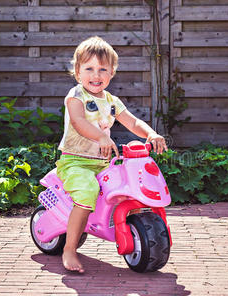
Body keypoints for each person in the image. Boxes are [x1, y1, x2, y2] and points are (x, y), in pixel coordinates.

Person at [56, 36, 167, 273]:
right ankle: (69, 249)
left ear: (112, 73)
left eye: (102, 69)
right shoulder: (76, 96)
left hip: (103, 162)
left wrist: (151, 134)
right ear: (78, 72)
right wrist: (101, 136)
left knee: (127, 186)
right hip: (75, 161)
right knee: (87, 190)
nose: (96, 75)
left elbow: (133, 122)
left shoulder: (111, 101)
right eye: (89, 68)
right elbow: (77, 121)